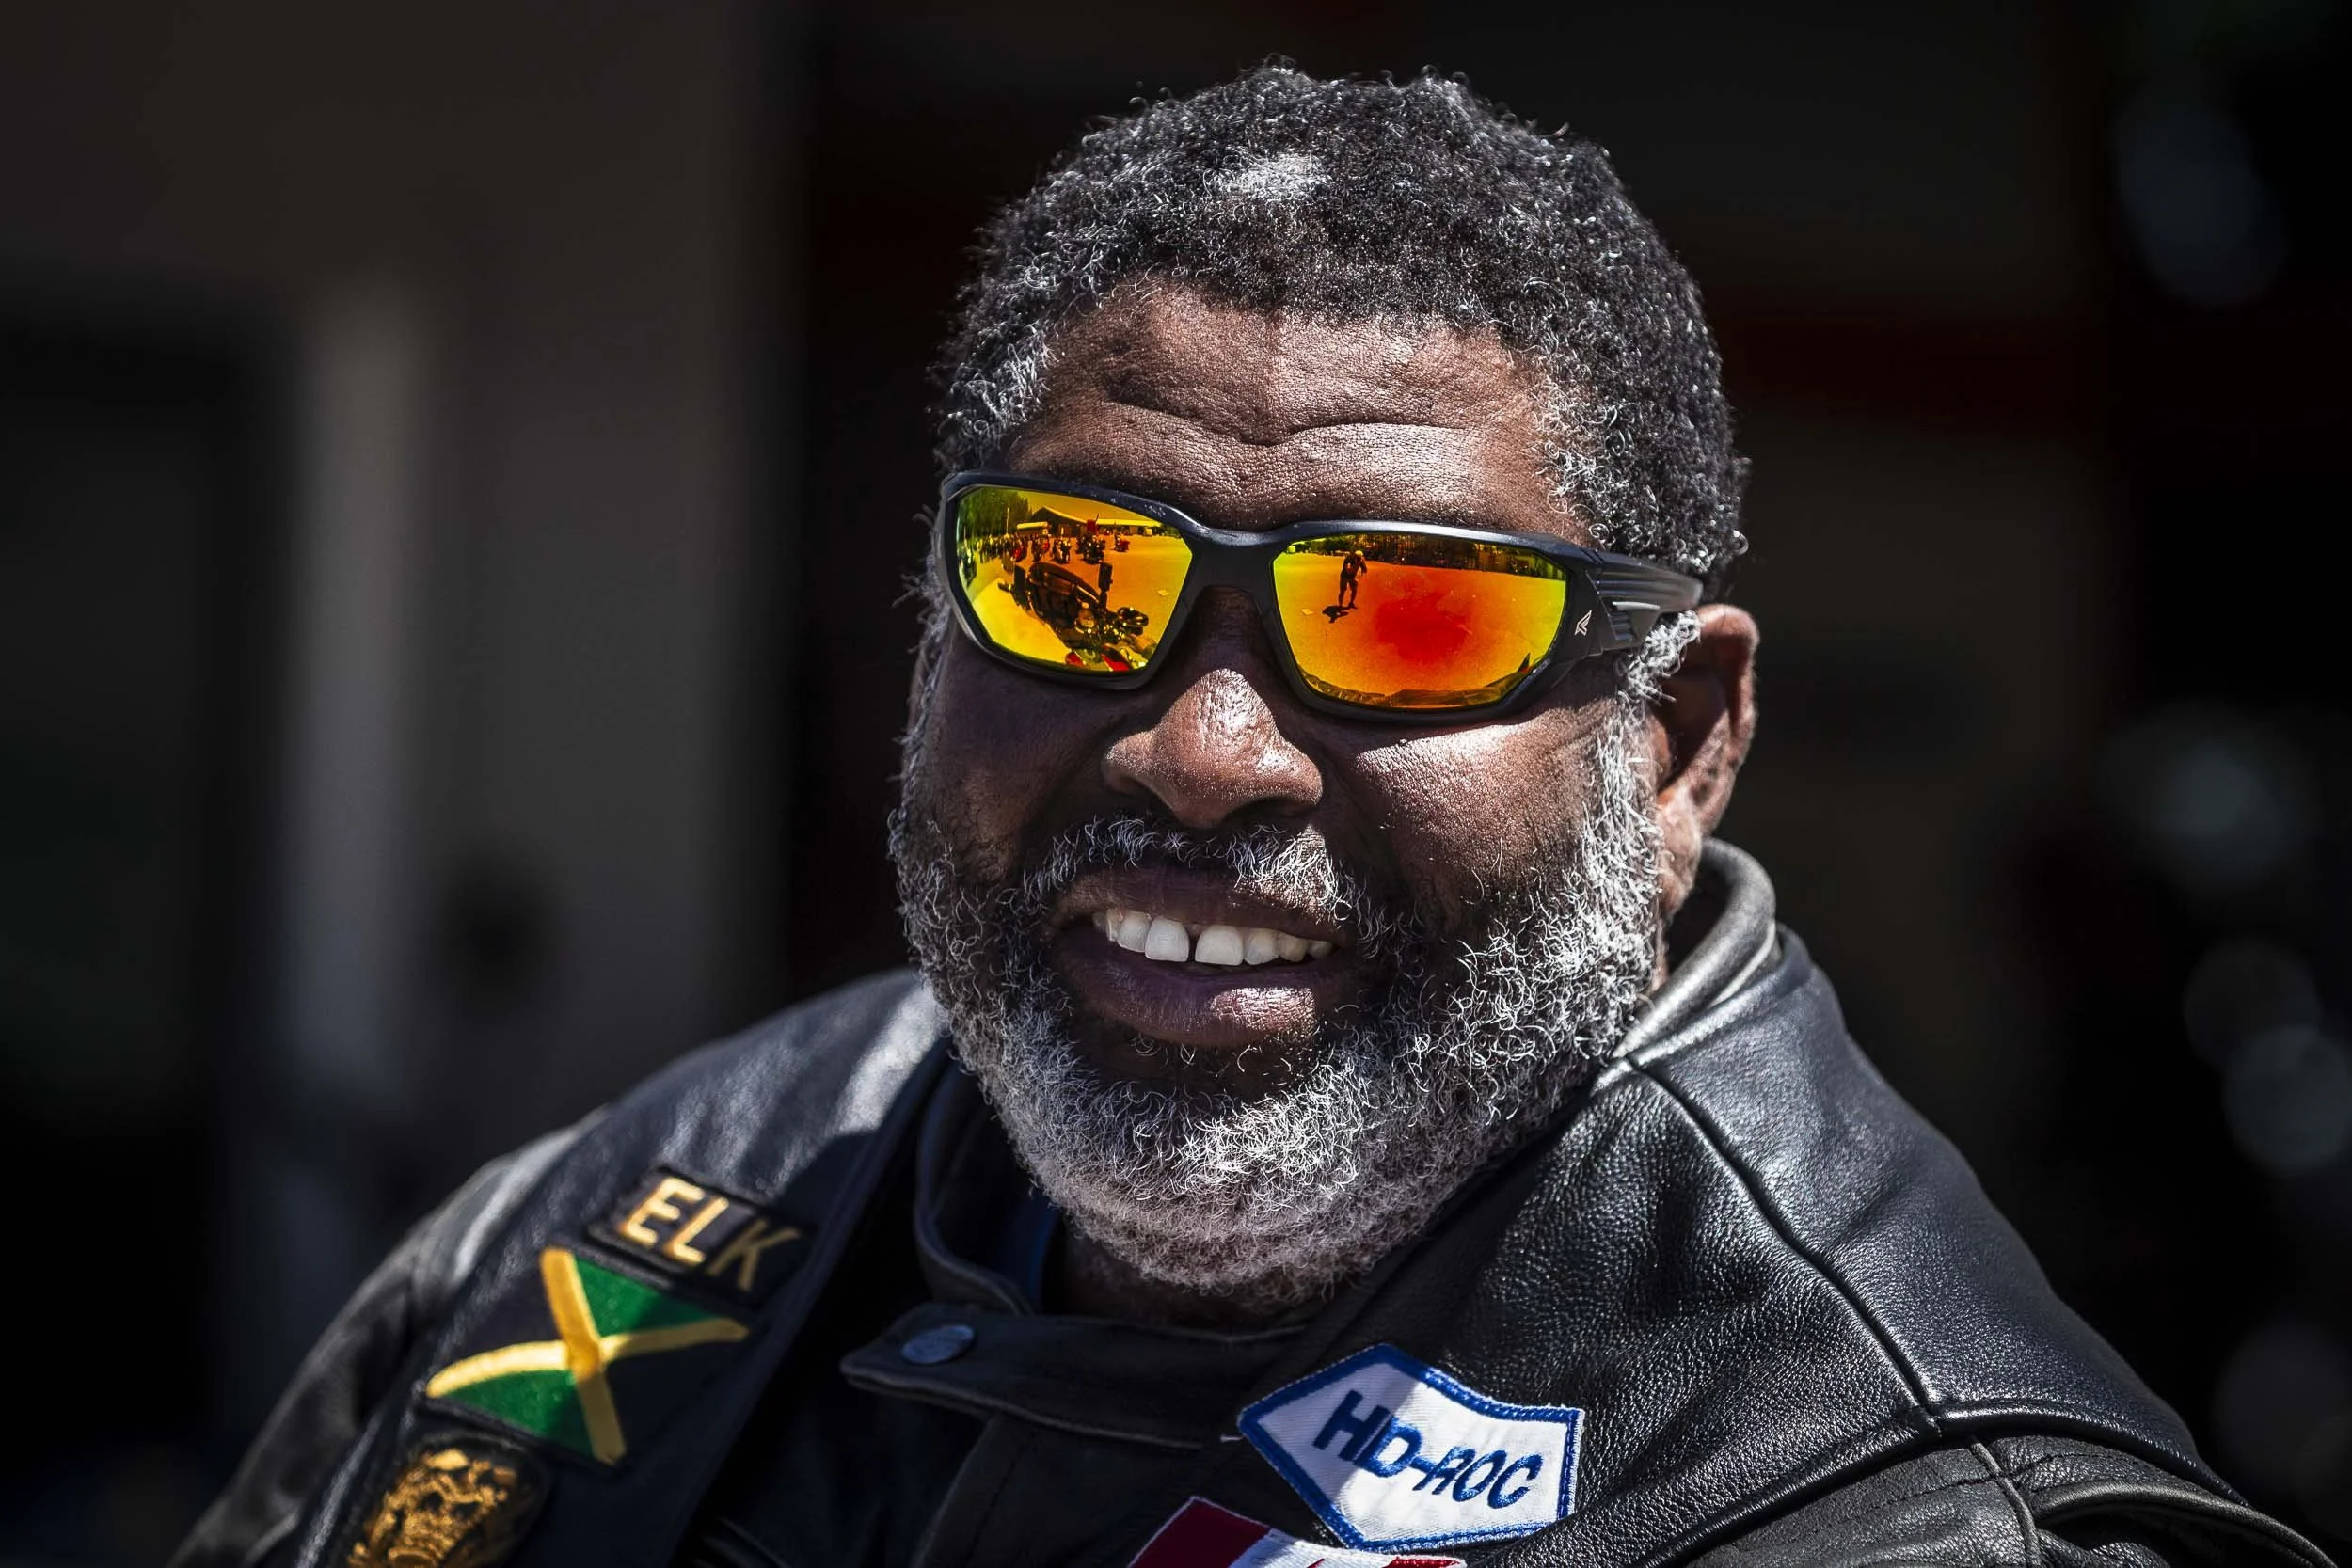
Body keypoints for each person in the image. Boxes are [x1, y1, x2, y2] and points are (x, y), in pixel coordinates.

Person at [175, 69, 2330, 1568]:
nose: (1201, 753)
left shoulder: (1883, 1502)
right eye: (1072, 579)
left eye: (1401, 617)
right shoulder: (627, 1219)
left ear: (1674, 745)